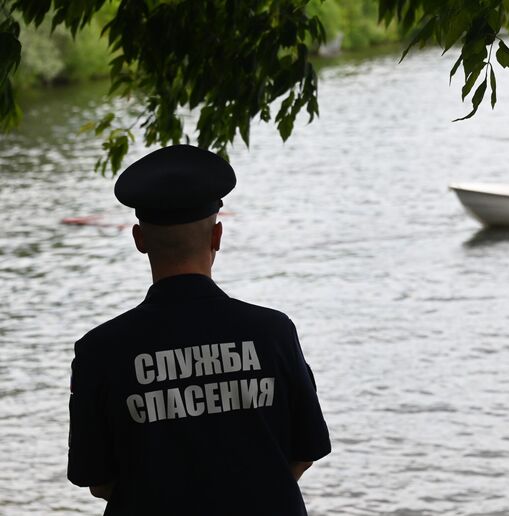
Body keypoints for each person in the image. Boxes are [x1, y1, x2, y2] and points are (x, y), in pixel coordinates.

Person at [67, 145, 331, 515]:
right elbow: (306, 449)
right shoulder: (273, 333)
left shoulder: (100, 350)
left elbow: (97, 478)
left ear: (140, 240)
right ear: (217, 236)